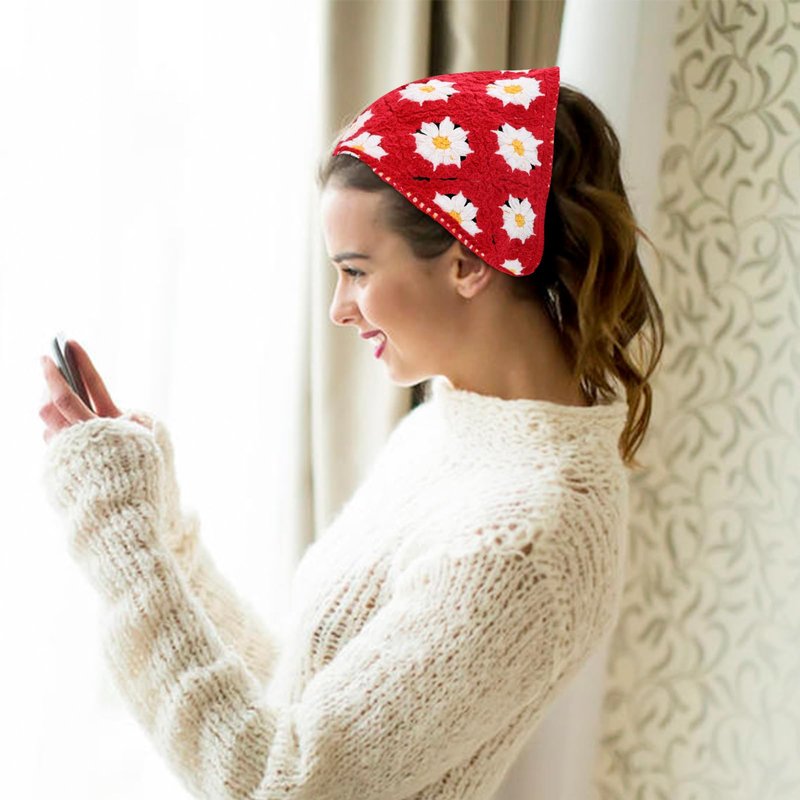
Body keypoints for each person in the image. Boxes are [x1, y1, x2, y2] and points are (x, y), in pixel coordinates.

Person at [39, 66, 664, 800]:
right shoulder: (444, 435)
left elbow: (284, 784)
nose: (339, 307)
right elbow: (302, 707)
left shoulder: (530, 538)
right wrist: (160, 531)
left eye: (357, 271)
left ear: (468, 261)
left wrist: (119, 534)